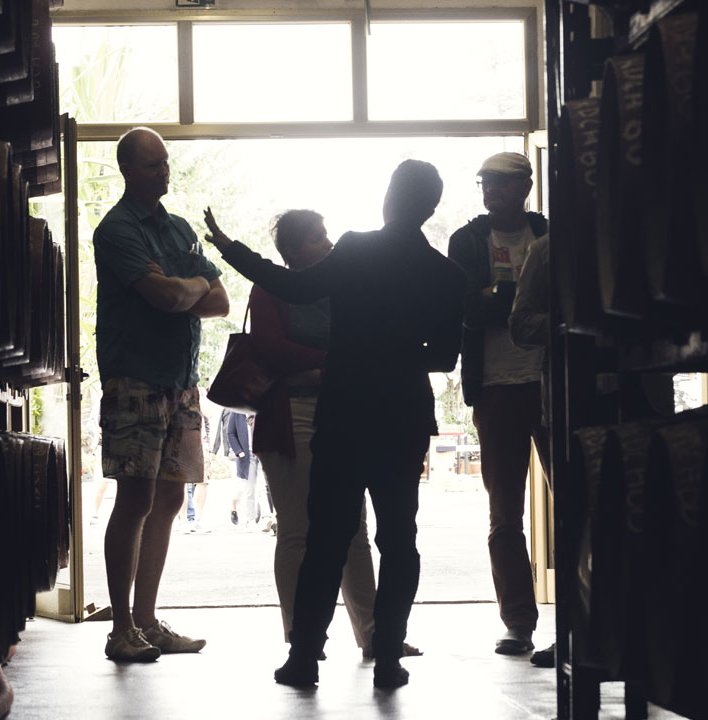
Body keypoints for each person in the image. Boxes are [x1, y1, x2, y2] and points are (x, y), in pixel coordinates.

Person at [201, 159, 465, 689]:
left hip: (343, 411)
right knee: (398, 537)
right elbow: (444, 357)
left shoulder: (356, 247)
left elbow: (292, 287)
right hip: (402, 415)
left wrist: (230, 249)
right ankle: (387, 657)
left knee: (325, 536)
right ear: (430, 208)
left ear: (389, 197)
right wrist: (401, 350)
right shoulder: (446, 274)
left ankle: (303, 658)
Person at [250, 209, 423, 661]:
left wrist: (324, 364)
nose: (327, 244)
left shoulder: (341, 284)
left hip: (340, 412)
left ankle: (372, 632)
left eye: (326, 235)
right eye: (316, 237)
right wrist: (332, 363)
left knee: (355, 530)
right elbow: (270, 348)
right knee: (297, 529)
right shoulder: (272, 289)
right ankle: (301, 637)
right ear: (290, 251)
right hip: (292, 412)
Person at [93, 126, 229, 662]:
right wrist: (188, 288)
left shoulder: (178, 230)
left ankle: (148, 621)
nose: (164, 172)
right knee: (135, 499)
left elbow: (214, 300)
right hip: (135, 379)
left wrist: (186, 290)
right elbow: (164, 295)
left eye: (166, 162)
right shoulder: (117, 230)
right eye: (152, 165)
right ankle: (120, 628)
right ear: (128, 170)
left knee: (171, 498)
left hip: (181, 380)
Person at [447, 151, 550, 656]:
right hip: (494, 387)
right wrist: (523, 301)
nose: (490, 191)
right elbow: (466, 309)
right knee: (503, 513)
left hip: (553, 382)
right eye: (484, 182)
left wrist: (498, 296)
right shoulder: (466, 239)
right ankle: (519, 624)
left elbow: (567, 301)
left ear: (526, 186)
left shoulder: (552, 234)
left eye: (502, 184)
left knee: (574, 504)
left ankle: (580, 620)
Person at [507, 232, 557, 668]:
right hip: (565, 396)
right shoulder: (549, 249)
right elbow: (519, 323)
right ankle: (524, 623)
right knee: (578, 515)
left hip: (640, 395)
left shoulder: (647, 229)